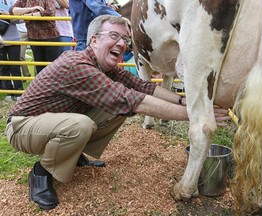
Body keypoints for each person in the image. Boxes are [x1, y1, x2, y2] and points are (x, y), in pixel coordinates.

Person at [5, 15, 230, 210]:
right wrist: (194, 115)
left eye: (125, 39)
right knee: (82, 124)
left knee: (116, 111)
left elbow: (144, 87)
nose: (122, 44)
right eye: (114, 36)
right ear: (94, 40)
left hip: (50, 122)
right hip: (22, 127)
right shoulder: (78, 65)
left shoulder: (106, 67)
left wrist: (186, 101)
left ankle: (72, 154)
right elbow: (132, 100)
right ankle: (41, 172)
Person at [9, 0, 61, 74]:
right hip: (34, 38)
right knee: (40, 69)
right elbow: (12, 10)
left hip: (50, 38)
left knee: (52, 68)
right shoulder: (24, 1)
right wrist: (31, 9)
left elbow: (51, 12)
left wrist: (30, 15)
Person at [0, 0, 23, 101]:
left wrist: (8, 15)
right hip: (1, 39)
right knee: (3, 67)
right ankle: (9, 92)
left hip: (14, 39)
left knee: (15, 66)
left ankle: (19, 92)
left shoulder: (13, 2)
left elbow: (21, 19)